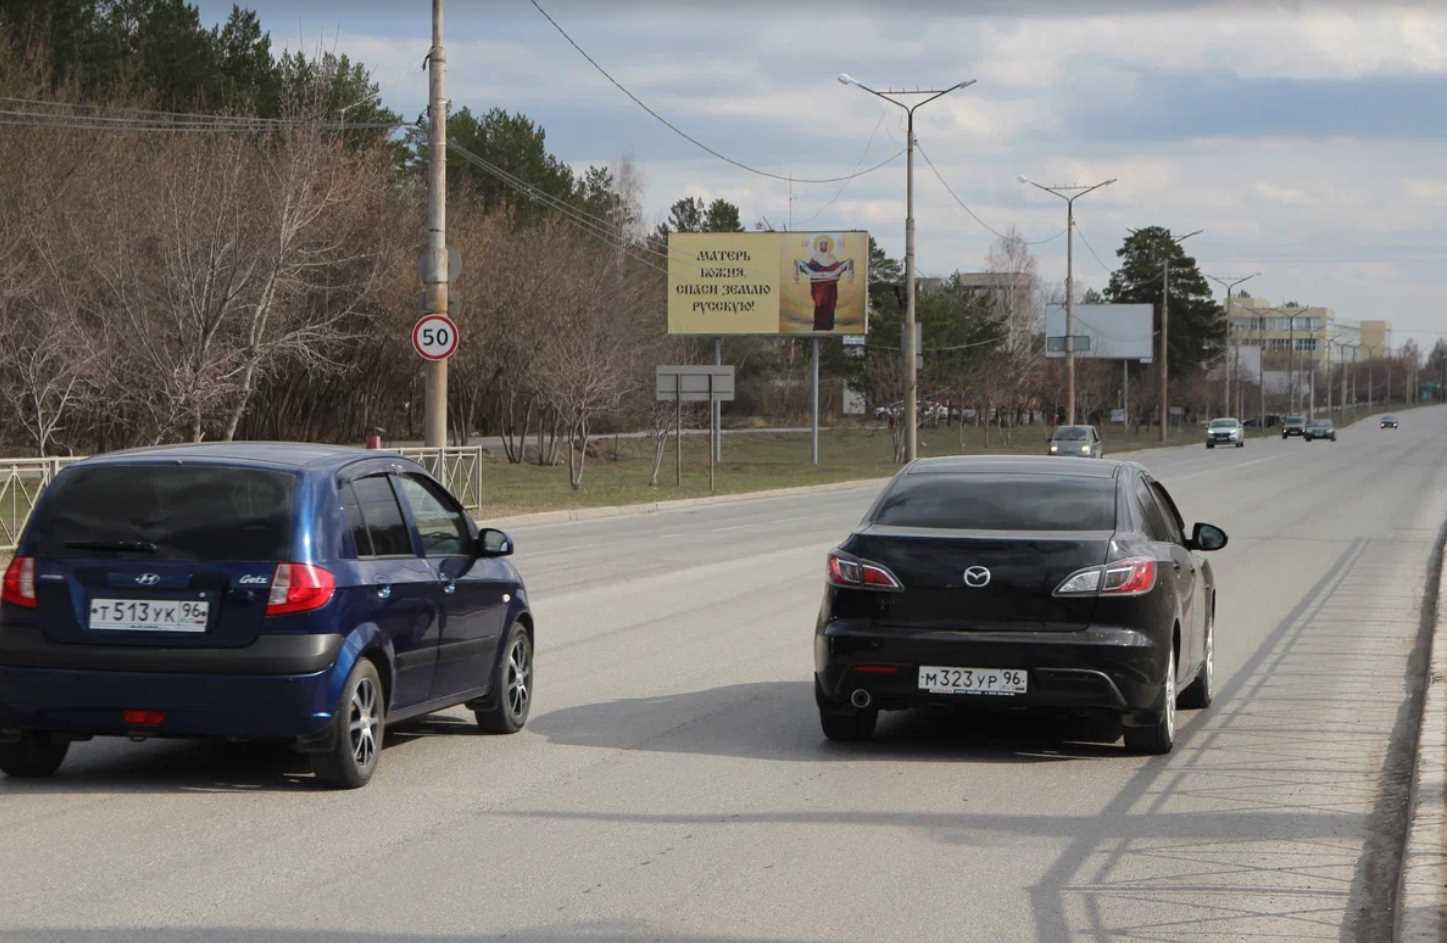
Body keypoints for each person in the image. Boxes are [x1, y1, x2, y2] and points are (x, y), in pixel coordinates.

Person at [793, 234, 855, 331]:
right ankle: (819, 326)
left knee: (829, 306)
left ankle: (829, 326)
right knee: (819, 305)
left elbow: (836, 268)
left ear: (828, 246)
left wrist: (838, 272)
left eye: (825, 244)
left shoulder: (832, 257)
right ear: (818, 245)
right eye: (822, 244)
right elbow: (809, 268)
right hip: (818, 287)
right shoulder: (815, 258)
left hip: (830, 288)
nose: (824, 246)